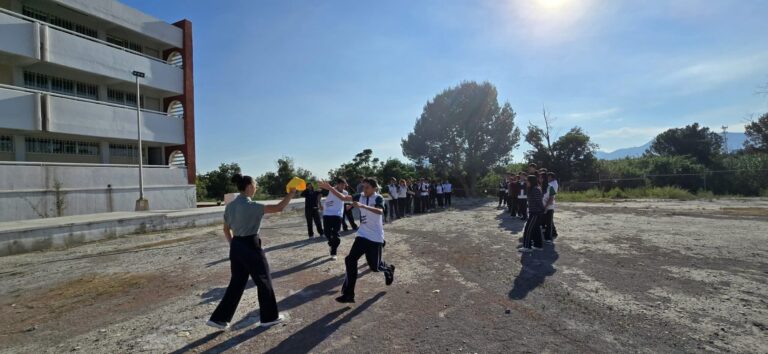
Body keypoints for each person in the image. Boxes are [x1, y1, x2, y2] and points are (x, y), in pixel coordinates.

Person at [207, 173, 294, 330]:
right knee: (264, 280)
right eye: (255, 185)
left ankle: (219, 319)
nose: (256, 187)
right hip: (251, 245)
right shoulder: (252, 206)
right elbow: (279, 207)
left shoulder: (230, 206)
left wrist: (233, 244)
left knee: (237, 283)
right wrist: (291, 193)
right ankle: (269, 317)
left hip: (236, 246)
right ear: (248, 187)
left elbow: (225, 229)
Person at [321, 178, 395, 303]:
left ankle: (388, 269)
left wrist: (362, 205)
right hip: (362, 235)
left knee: (375, 267)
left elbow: (380, 211)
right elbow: (343, 198)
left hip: (375, 238)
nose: (364, 190)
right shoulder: (359, 196)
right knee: (350, 260)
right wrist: (330, 188)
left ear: (374, 188)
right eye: (363, 187)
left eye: (367, 187)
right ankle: (349, 294)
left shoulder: (378, 198)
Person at [322, 178, 348, 259]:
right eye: (342, 184)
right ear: (338, 184)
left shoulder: (345, 192)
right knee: (327, 233)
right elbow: (329, 188)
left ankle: (333, 253)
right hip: (327, 213)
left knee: (335, 235)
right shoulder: (332, 189)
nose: (343, 186)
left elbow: (342, 197)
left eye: (344, 185)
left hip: (337, 214)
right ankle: (331, 243)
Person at [519, 174, 545, 253]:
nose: (526, 182)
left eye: (527, 181)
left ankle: (527, 247)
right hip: (534, 212)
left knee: (528, 229)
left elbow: (539, 202)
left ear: (531, 181)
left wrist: (541, 210)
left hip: (535, 213)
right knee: (536, 229)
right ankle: (538, 245)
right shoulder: (532, 189)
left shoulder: (535, 189)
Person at [542, 172, 559, 243]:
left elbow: (551, 198)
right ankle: (552, 233)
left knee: (548, 222)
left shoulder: (551, 185)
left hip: (549, 206)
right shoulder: (543, 186)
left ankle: (549, 237)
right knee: (548, 221)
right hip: (544, 206)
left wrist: (545, 207)